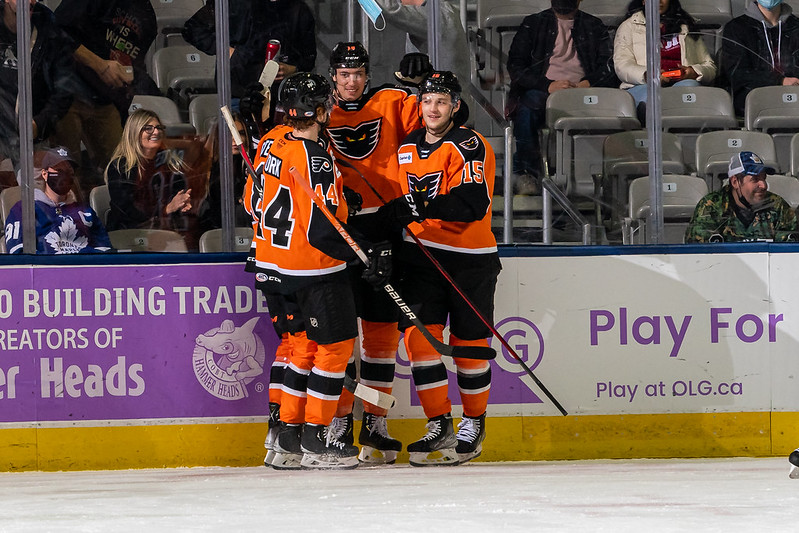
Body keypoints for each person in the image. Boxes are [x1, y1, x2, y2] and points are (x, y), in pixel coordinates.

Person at [246, 72, 392, 470]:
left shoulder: (272, 141)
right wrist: (365, 251)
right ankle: (317, 438)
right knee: (334, 350)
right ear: (323, 110)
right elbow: (322, 229)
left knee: (301, 348)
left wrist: (343, 199)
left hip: (273, 262)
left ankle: (287, 435)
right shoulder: (316, 158)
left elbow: (250, 203)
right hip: (313, 267)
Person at [381, 71, 500, 466]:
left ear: (454, 107)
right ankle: (439, 424)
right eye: (427, 101)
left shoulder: (469, 143)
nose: (432, 108)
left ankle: (474, 423)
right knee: (420, 342)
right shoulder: (406, 147)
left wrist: (422, 207)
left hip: (470, 259)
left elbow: (473, 203)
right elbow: (400, 206)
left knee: (469, 346)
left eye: (441, 102)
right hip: (420, 259)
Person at [325, 41, 425, 465]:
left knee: (381, 335)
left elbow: (438, 120)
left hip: (384, 225)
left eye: (358, 74)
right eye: (344, 75)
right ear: (333, 76)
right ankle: (339, 422)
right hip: (339, 229)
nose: (352, 82)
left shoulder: (390, 100)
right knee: (342, 336)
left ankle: (376, 423)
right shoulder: (317, 110)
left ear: (367, 74)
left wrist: (419, 85)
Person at [506, 0, 618, 194]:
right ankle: (527, 174)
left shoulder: (594, 25)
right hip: (545, 89)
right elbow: (516, 67)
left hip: (586, 90)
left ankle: (610, 177)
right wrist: (548, 85)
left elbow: (608, 66)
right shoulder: (533, 23)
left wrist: (586, 83)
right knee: (527, 108)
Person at [53, 0, 160, 198]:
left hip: (105, 99)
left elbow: (131, 63)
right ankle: (72, 224)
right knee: (66, 170)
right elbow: (56, 30)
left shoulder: (147, 16)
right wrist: (100, 65)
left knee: (122, 168)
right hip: (68, 94)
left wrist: (128, 80)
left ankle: (116, 221)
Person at [182, 0, 316, 117]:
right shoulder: (233, 3)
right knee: (242, 142)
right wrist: (227, 51)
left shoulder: (299, 9)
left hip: (282, 99)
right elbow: (192, 29)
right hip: (239, 94)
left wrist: (292, 69)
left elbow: (308, 57)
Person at [0, 0, 76, 167]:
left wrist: (40, 124)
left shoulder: (49, 27)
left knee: (35, 191)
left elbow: (65, 89)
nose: (30, 1)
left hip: (31, 139)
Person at [614, 0, 717, 115]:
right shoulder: (628, 27)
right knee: (652, 96)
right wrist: (647, 75)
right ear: (643, 1)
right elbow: (622, 66)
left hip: (681, 84)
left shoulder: (685, 26)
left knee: (690, 87)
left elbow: (709, 66)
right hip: (642, 85)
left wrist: (694, 72)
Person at [4, 146, 112, 254]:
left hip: (84, 268)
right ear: (45, 174)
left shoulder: (86, 211)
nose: (64, 176)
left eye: (69, 171)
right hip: (46, 269)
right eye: (59, 170)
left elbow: (105, 250)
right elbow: (19, 252)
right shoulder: (24, 210)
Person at [104, 109, 193, 234]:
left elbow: (175, 199)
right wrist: (165, 210)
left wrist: (182, 205)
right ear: (135, 132)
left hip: (164, 232)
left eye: (158, 128)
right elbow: (126, 211)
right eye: (148, 128)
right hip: (129, 234)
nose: (156, 132)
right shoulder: (121, 167)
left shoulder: (170, 164)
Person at [685, 151, 799, 242]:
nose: (763, 185)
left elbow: (789, 250)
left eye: (764, 178)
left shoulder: (777, 206)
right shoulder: (711, 207)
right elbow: (699, 254)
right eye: (755, 179)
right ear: (735, 182)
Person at [721, 0, 799, 115]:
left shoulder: (795, 26)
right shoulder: (735, 28)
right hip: (753, 99)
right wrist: (780, 81)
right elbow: (738, 73)